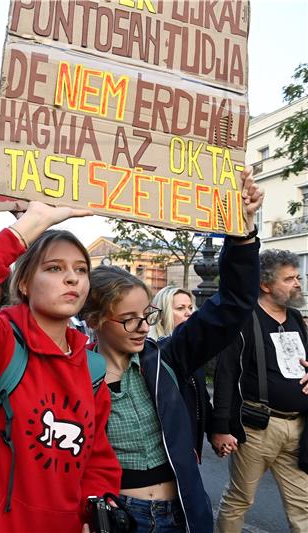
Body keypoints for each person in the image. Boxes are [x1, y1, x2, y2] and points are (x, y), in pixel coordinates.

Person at [81, 170, 263, 532]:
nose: (144, 326)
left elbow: (232, 306)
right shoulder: (73, 373)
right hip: (115, 516)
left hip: (179, 513)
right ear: (95, 319)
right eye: (128, 319)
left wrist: (242, 236)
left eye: (146, 314)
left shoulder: (166, 357)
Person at [0, 201, 120, 532]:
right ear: (23, 284)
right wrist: (28, 227)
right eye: (54, 269)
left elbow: (97, 459)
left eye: (80, 270)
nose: (72, 279)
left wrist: (97, 503)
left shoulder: (91, 370)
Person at [213, 249, 308, 532]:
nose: (298, 283)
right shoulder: (243, 318)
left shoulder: (295, 318)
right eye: (289, 278)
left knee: (304, 503)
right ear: (265, 285)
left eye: (297, 277)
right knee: (240, 499)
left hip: (298, 427)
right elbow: (225, 374)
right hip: (257, 428)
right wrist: (220, 426)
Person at [149, 286, 214, 460]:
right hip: (167, 449)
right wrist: (183, 444)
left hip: (191, 443)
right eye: (180, 308)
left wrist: (216, 431)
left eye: (190, 308)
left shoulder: (192, 351)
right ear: (162, 313)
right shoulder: (152, 353)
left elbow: (201, 398)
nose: (189, 313)